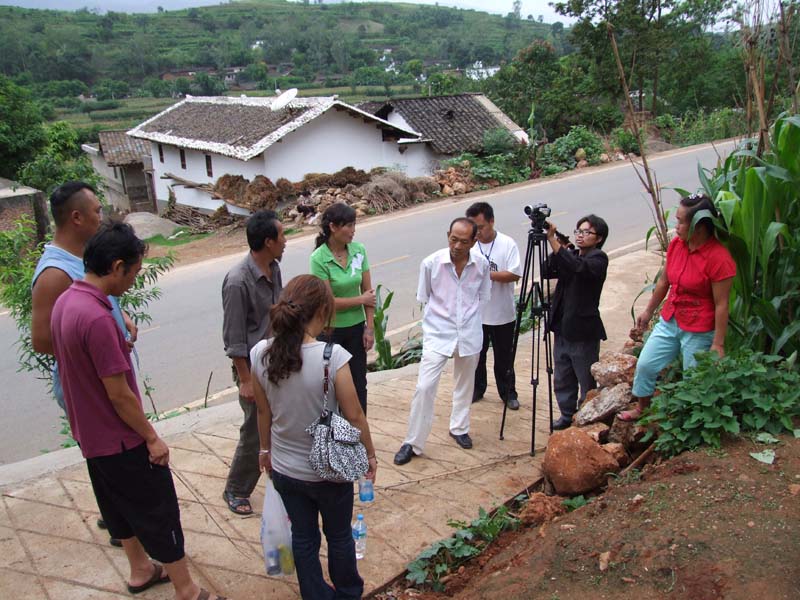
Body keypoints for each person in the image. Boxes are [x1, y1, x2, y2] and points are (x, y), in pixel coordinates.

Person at [50, 222, 226, 600]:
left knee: (116, 506)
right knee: (158, 511)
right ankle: (187, 589)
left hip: (91, 437)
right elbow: (119, 395)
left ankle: (140, 569)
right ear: (117, 267)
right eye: (133, 272)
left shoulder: (67, 301)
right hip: (120, 438)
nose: (133, 280)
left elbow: (77, 368)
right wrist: (151, 437)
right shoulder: (97, 318)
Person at [252, 275, 377, 600]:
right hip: (330, 471)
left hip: (284, 469)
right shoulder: (331, 357)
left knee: (304, 537)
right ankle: (348, 592)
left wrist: (264, 449)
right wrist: (370, 456)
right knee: (338, 536)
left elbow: (262, 412)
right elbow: (355, 416)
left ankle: (315, 593)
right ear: (322, 311)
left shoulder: (259, 354)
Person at [31, 180, 137, 547]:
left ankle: (119, 518)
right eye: (96, 212)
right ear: (76, 218)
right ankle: (122, 526)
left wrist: (118, 320)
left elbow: (96, 304)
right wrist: (100, 344)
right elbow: (43, 339)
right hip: (89, 385)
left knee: (115, 458)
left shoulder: (84, 259)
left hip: (106, 376)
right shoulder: (55, 274)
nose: (101, 216)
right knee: (106, 454)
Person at [619, 194, 735, 421]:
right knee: (645, 364)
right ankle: (643, 408)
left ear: (699, 226)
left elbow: (722, 304)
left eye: (681, 221)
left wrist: (717, 343)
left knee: (695, 379)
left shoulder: (719, 258)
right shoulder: (677, 245)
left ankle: (693, 422)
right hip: (671, 318)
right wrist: (648, 311)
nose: (676, 226)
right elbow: (664, 281)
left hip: (699, 327)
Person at [394, 218, 491, 465]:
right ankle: (413, 442)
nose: (457, 245)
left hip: (469, 333)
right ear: (448, 234)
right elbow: (424, 297)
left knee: (465, 384)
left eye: (464, 241)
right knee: (424, 387)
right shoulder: (431, 263)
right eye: (453, 239)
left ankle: (459, 428)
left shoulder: (481, 265)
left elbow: (483, 297)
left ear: (474, 240)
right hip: (439, 333)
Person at [221, 210, 286, 516]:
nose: (286, 241)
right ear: (268, 241)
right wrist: (245, 379)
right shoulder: (237, 281)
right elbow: (234, 338)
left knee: (276, 419)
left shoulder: (274, 268)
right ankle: (236, 489)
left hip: (274, 357)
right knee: (253, 426)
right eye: (282, 236)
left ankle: (278, 472)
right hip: (250, 366)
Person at [543, 215, 609, 430]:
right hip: (562, 328)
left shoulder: (598, 259)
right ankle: (566, 415)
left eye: (587, 232)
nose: (580, 235)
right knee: (562, 377)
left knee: (585, 380)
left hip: (583, 331)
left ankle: (586, 416)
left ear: (598, 238)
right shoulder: (571, 254)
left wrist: (555, 242)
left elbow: (579, 268)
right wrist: (558, 249)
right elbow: (546, 271)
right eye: (578, 231)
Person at [309, 203, 375, 414]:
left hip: (356, 330)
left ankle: (359, 435)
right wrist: (361, 300)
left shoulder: (359, 250)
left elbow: (369, 294)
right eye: (348, 225)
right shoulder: (319, 258)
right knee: (331, 387)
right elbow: (328, 301)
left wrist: (369, 328)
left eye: (354, 224)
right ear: (333, 227)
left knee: (358, 384)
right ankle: (334, 436)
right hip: (330, 332)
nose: (353, 229)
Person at [465, 202, 522, 410]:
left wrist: (485, 275)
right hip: (476, 315)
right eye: (473, 228)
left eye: (480, 227)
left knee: (504, 358)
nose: (477, 232)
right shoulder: (469, 245)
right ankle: (477, 390)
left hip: (502, 314)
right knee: (476, 358)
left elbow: (514, 273)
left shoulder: (507, 244)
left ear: (491, 221)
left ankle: (508, 393)